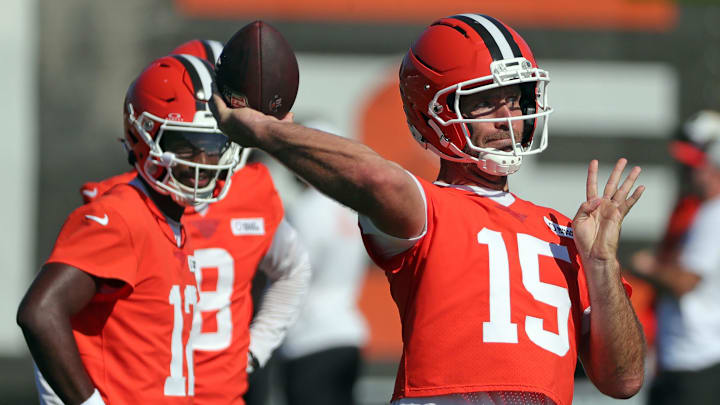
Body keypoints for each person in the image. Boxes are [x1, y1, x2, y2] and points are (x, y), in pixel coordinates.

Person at [211, 13, 646, 405]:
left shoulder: (568, 233)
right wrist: (263, 130)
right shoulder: (428, 209)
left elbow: (623, 380)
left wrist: (603, 264)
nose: (506, 117)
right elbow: (375, 178)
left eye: (514, 98)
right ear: (430, 116)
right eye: (483, 101)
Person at [70, 39, 312, 405]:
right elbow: (56, 316)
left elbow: (293, 270)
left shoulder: (253, 190)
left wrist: (254, 350)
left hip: (222, 393)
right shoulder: (123, 202)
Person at [17, 54, 241, 404]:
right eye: (185, 145)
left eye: (213, 146)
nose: (202, 162)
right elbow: (40, 313)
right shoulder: (122, 216)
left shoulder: (174, 221)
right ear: (144, 137)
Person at [273, 120, 369, 405]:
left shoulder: (306, 210)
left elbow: (289, 275)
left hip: (308, 338)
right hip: (348, 332)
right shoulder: (355, 209)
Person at [631, 111, 720, 405]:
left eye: (694, 165)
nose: (686, 171)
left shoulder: (714, 214)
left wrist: (647, 266)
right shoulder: (695, 211)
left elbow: (684, 281)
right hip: (681, 360)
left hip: (699, 363)